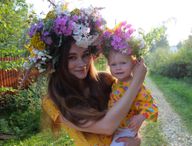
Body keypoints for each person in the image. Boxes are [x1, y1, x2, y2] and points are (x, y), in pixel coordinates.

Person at [25, 4, 146, 146]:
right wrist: (137, 81)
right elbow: (107, 127)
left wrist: (135, 138)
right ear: (58, 62)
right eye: (71, 57)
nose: (81, 63)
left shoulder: (105, 80)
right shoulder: (54, 101)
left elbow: (130, 111)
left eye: (85, 55)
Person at [101, 22, 158, 146]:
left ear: (133, 63)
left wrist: (141, 117)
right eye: (113, 65)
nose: (118, 68)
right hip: (115, 127)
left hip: (127, 130)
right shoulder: (116, 83)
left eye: (123, 63)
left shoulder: (136, 86)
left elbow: (151, 105)